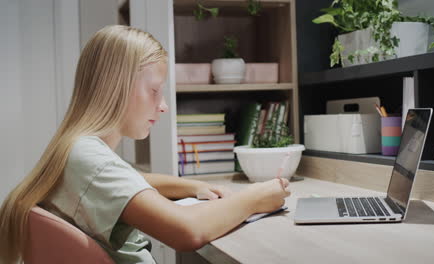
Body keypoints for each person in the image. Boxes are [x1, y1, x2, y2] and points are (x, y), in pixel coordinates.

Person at [0, 25, 291, 264]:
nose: (163, 106)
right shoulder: (89, 158)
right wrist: (256, 197)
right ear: (116, 87)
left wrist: (192, 187)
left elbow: (134, 180)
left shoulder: (77, 150)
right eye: (154, 91)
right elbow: (187, 231)